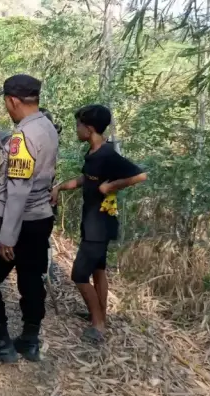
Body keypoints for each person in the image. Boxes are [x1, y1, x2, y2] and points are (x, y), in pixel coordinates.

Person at [0, 74, 59, 364]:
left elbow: (18, 189)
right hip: (41, 217)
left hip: (19, 221)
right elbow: (10, 147)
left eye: (7, 102)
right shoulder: (46, 126)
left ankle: (0, 343)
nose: (7, 107)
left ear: (13, 101)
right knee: (31, 277)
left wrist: (7, 235)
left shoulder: (23, 136)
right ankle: (29, 341)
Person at [51, 104, 147, 344]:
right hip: (93, 221)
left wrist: (111, 186)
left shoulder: (108, 154)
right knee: (98, 269)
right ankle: (99, 312)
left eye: (78, 125)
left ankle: (98, 325)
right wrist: (60, 187)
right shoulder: (93, 153)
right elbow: (87, 178)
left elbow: (140, 175)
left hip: (99, 224)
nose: (76, 129)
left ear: (90, 128)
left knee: (79, 274)